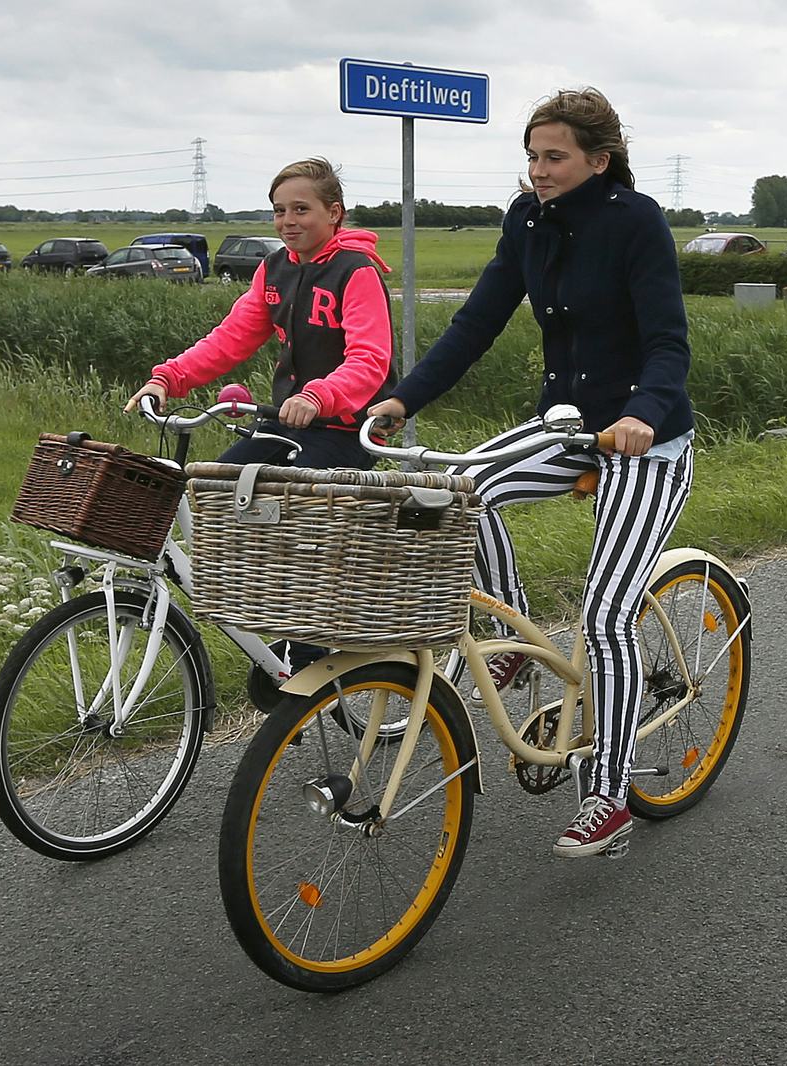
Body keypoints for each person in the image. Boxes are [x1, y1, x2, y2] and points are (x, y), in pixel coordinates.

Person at [367, 88, 694, 859]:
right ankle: (516, 633)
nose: (538, 171)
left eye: (554, 157)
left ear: (597, 160)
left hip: (645, 440)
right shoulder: (527, 221)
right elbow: (476, 322)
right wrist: (402, 397)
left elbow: (668, 344)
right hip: (571, 427)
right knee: (458, 491)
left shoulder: (637, 222)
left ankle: (609, 792)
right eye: (532, 157)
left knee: (608, 614)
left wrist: (644, 412)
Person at [127, 157, 396, 670]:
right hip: (286, 418)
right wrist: (168, 379)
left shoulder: (355, 272)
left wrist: (319, 396)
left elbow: (369, 359)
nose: (288, 221)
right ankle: (276, 623)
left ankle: (316, 650)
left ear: (334, 213)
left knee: (300, 522)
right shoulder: (273, 269)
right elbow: (231, 339)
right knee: (219, 488)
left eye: (302, 209)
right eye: (278, 211)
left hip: (344, 425)